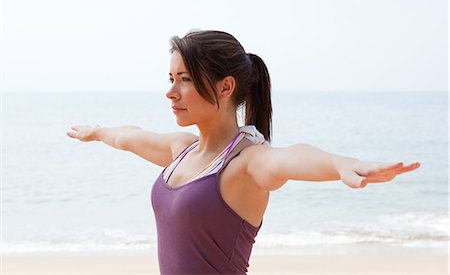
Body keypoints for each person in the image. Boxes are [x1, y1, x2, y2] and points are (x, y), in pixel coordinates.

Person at [66, 30, 420, 275]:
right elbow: (130, 136)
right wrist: (97, 133)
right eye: (170, 78)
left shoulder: (246, 163)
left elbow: (289, 158)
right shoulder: (182, 151)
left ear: (225, 87)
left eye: (185, 79)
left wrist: (342, 164)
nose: (171, 91)